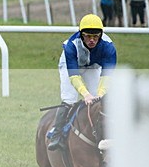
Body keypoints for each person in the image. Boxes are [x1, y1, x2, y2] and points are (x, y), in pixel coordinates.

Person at [47, 13, 116, 151]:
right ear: (81, 35)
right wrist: (85, 94)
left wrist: (100, 94)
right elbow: (74, 76)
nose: (92, 40)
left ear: (101, 35)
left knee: (100, 100)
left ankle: (106, 133)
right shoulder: (71, 46)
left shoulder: (109, 47)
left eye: (95, 36)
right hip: (71, 67)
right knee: (69, 99)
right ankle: (57, 134)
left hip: (92, 66)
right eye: (88, 36)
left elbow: (107, 76)